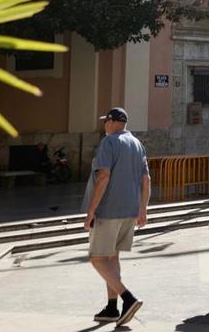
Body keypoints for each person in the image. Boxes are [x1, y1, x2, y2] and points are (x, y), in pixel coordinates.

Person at [82, 108, 150, 326]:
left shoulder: (109, 142)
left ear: (112, 122)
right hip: (130, 210)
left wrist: (91, 210)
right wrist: (143, 209)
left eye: (105, 121)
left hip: (109, 210)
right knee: (112, 259)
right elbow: (146, 179)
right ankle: (112, 308)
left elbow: (103, 177)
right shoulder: (137, 144)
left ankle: (127, 298)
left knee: (97, 258)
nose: (104, 125)